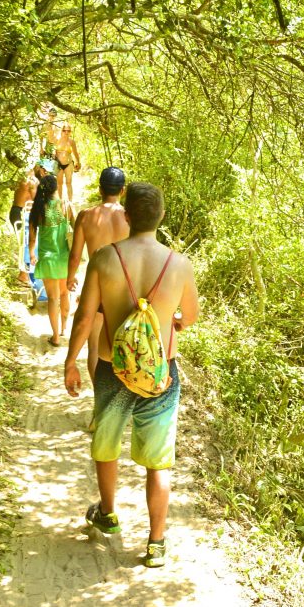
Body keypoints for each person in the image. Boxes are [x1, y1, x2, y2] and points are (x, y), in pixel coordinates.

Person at [64, 182, 199, 568]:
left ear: (126, 216)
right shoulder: (179, 264)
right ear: (161, 217)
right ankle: (156, 542)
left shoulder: (105, 260)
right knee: (158, 461)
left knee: (106, 446)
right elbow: (188, 317)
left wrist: (71, 361)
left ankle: (108, 513)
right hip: (161, 374)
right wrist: (171, 318)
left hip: (111, 368)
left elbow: (85, 316)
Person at [66, 166, 130, 384]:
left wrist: (70, 277)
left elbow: (75, 255)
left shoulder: (85, 216)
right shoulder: (131, 218)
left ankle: (100, 401)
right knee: (123, 345)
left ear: (100, 189)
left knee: (94, 347)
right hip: (124, 291)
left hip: (97, 289)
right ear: (123, 190)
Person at [29, 174, 71, 346]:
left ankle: (55, 337)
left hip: (47, 259)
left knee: (53, 298)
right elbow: (76, 230)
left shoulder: (38, 209)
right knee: (64, 293)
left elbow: (32, 239)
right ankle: (64, 329)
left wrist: (32, 254)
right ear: (56, 188)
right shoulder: (65, 206)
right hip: (64, 258)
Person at [46, 111, 81, 205]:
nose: (66, 132)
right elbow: (50, 136)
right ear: (61, 131)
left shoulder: (71, 142)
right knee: (59, 184)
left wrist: (78, 162)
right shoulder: (57, 139)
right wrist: (49, 121)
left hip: (69, 163)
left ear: (70, 132)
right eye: (64, 130)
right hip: (58, 164)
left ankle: (70, 202)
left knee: (69, 183)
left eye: (68, 131)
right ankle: (60, 202)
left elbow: (75, 152)